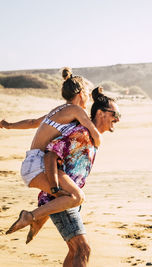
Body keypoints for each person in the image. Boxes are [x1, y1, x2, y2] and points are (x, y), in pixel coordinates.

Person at [7, 87, 120, 267]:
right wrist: (55, 190)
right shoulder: (81, 133)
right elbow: (51, 154)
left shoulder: (89, 135)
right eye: (115, 114)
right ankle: (30, 216)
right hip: (61, 197)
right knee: (83, 249)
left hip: (65, 197)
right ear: (100, 113)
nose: (117, 119)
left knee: (76, 250)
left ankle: (33, 216)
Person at [1, 68, 102, 224]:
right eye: (88, 93)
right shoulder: (76, 110)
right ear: (80, 93)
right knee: (75, 197)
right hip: (39, 165)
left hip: (31, 163)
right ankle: (31, 217)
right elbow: (95, 134)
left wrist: (8, 125)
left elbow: (32, 122)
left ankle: (36, 222)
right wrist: (97, 143)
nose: (89, 97)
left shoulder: (58, 110)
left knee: (61, 198)